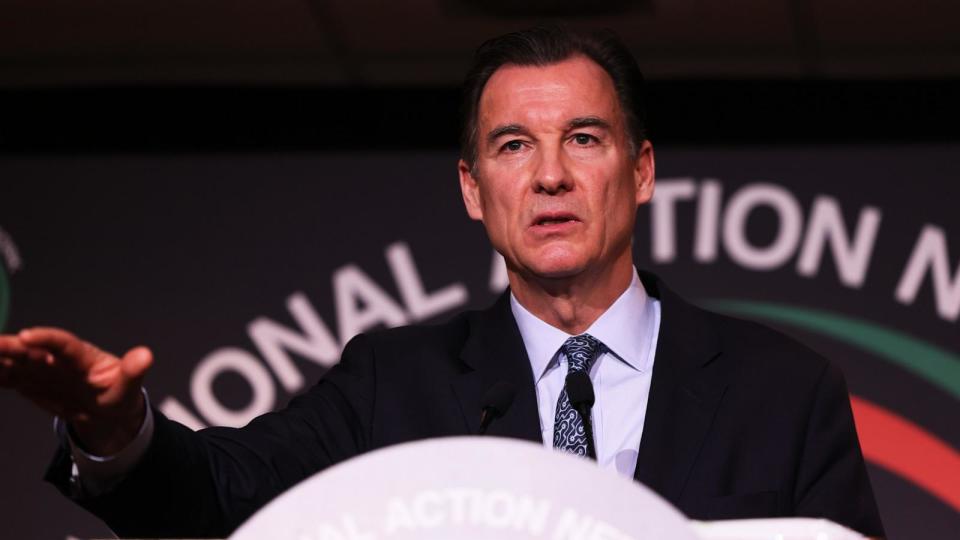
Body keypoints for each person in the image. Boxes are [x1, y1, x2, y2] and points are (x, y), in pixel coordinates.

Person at [0, 27, 884, 538]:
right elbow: (227, 499)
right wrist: (115, 431)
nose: (549, 176)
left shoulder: (784, 391)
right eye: (512, 146)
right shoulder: (393, 383)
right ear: (472, 189)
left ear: (641, 169)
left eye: (583, 138)